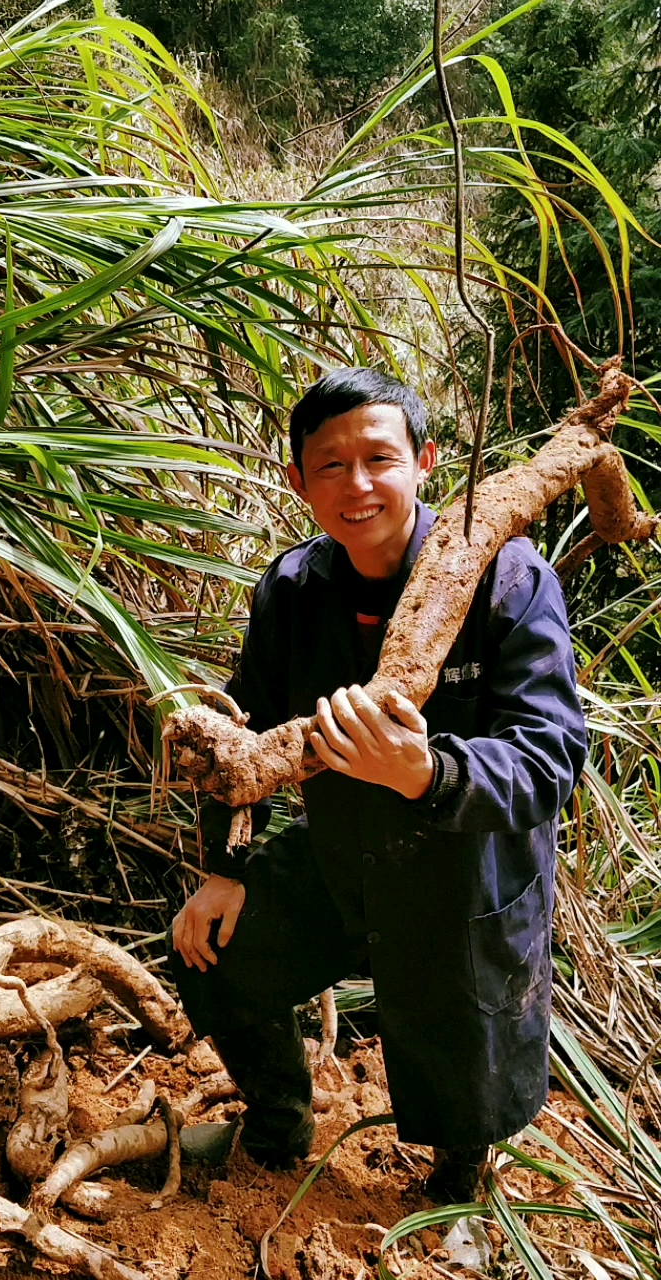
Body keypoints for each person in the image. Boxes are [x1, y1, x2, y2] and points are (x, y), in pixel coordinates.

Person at [167, 368, 587, 1197]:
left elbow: (550, 758)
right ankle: (279, 1125)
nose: (357, 485)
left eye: (379, 458)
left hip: (462, 870)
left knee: (465, 1058)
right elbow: (244, 741)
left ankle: (457, 1192)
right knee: (212, 952)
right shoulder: (291, 590)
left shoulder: (506, 579)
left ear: (426, 460)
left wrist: (430, 771)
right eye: (329, 465)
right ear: (298, 481)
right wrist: (225, 869)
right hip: (339, 853)